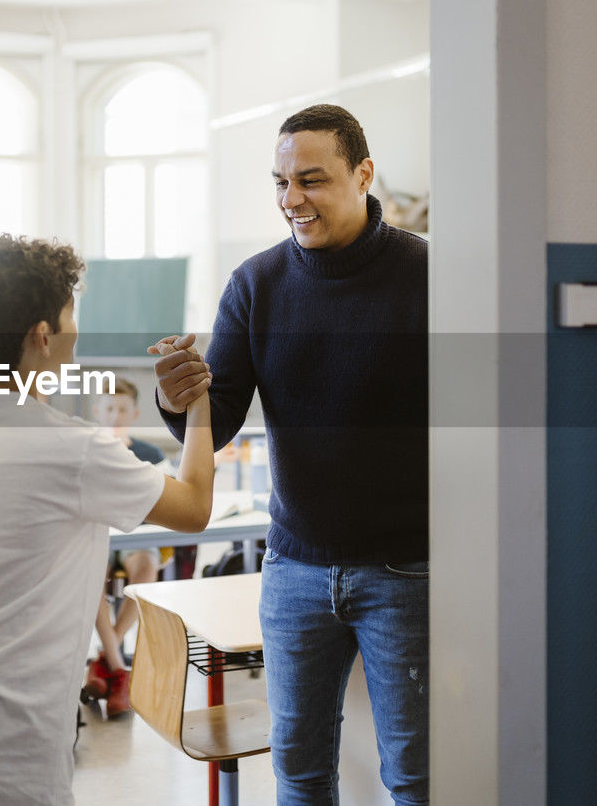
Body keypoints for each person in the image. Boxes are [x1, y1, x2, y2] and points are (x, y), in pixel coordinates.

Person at [0, 235, 216, 806]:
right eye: (71, 311)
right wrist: (198, 403)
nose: (77, 327)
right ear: (43, 334)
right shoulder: (73, 449)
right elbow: (194, 506)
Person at [151, 104, 429, 805]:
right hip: (295, 569)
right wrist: (180, 399)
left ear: (363, 174)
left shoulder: (427, 273)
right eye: (280, 182)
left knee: (418, 777)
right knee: (300, 773)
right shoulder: (255, 285)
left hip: (409, 568)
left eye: (311, 180)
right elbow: (218, 417)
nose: (291, 199)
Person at [83, 376, 172, 715]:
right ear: (97, 412)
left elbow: (167, 498)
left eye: (122, 408)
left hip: (140, 536)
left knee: (146, 567)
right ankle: (120, 668)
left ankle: (108, 657)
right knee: (91, 573)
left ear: (134, 413)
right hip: (100, 537)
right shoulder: (88, 451)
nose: (115, 415)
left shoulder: (151, 454)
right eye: (109, 408)